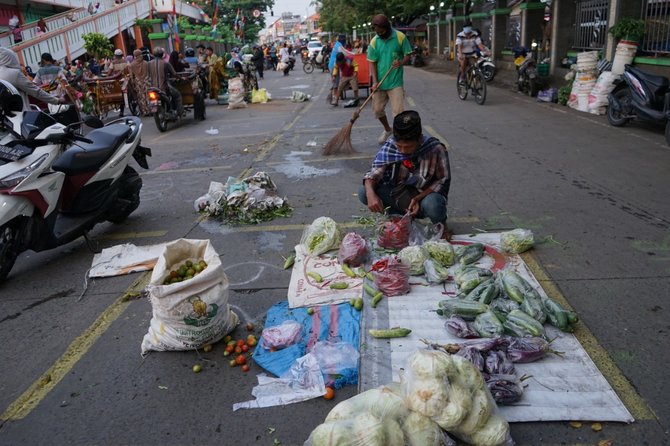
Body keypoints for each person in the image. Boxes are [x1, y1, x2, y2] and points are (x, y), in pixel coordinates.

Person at [358, 110, 451, 237]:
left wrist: (417, 198)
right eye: (399, 146)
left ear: (419, 139)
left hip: (423, 196)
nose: (402, 151)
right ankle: (399, 218)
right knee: (364, 192)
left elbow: (442, 180)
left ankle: (441, 225)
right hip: (399, 194)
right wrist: (370, 194)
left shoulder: (435, 149)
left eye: (407, 147)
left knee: (433, 205)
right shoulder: (390, 146)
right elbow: (374, 174)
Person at [367, 14, 413, 144]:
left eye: (381, 31)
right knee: (377, 110)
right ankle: (388, 129)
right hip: (380, 83)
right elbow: (372, 62)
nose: (379, 34)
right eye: (377, 32)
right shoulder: (374, 41)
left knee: (398, 112)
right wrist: (375, 81)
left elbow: (408, 55)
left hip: (395, 82)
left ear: (386, 27)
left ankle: (398, 136)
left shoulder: (400, 37)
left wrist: (401, 62)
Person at [148, 47, 182, 116]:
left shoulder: (149, 63)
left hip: (152, 88)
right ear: (162, 54)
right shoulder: (165, 63)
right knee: (178, 95)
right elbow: (174, 74)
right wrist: (181, 78)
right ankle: (179, 112)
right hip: (164, 87)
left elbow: (148, 75)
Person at [127, 48, 150, 116]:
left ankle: (144, 111)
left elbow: (131, 76)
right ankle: (150, 110)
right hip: (147, 82)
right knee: (148, 96)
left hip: (138, 83)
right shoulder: (146, 63)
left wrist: (133, 85)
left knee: (141, 97)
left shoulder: (131, 65)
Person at [108, 49, 129, 117]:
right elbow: (129, 69)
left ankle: (120, 110)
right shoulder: (126, 61)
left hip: (117, 82)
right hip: (126, 80)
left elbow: (109, 73)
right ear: (121, 55)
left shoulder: (113, 63)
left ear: (115, 56)